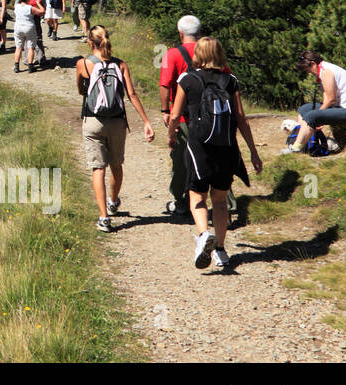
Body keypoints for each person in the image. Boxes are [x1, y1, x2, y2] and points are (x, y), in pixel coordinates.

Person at [167, 37, 262, 269]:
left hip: (199, 146)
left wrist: (171, 135)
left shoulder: (187, 79)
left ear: (198, 54)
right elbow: (241, 119)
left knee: (197, 195)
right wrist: (253, 152)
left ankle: (203, 235)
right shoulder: (230, 80)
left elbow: (174, 114)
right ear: (219, 54)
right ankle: (220, 249)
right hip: (226, 146)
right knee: (219, 200)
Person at [76, 25, 155, 232]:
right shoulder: (121, 65)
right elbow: (132, 94)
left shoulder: (83, 64)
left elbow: (80, 90)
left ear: (90, 43)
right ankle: (113, 201)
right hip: (118, 122)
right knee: (116, 165)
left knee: (97, 168)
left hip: (93, 121)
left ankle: (104, 217)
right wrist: (146, 121)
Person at [159, 14, 205, 221]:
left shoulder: (172, 54)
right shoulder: (211, 52)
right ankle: (226, 205)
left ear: (180, 33)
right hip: (210, 118)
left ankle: (181, 201)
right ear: (199, 33)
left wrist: (165, 110)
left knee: (180, 161)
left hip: (185, 118)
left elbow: (165, 84)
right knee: (211, 160)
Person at [286, 51, 346, 155]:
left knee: (312, 116)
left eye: (307, 69)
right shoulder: (323, 69)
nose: (308, 73)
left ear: (313, 64)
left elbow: (331, 99)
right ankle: (303, 139)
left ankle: (296, 148)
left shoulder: (326, 72)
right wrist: (320, 113)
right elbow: (326, 96)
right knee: (304, 109)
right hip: (340, 106)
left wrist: (319, 116)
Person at [12, 0, 41, 72]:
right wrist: (38, 4)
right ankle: (30, 66)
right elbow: (42, 11)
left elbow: (16, 4)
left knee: (18, 47)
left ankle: (16, 66)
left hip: (18, 27)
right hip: (29, 27)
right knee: (30, 48)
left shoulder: (16, 6)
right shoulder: (30, 8)